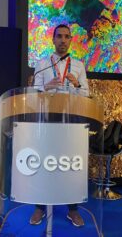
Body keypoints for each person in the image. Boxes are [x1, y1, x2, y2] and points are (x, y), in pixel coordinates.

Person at [29, 24, 89, 227]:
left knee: (70, 165)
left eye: (67, 37)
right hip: (47, 120)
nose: (63, 40)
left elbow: (86, 95)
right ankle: (40, 206)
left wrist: (77, 85)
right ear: (53, 40)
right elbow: (34, 93)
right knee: (43, 164)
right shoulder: (42, 64)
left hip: (71, 121)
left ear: (71, 40)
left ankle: (73, 209)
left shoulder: (79, 65)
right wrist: (46, 87)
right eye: (59, 37)